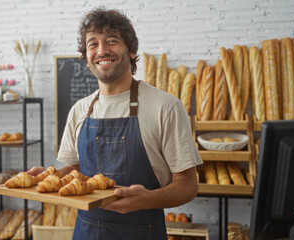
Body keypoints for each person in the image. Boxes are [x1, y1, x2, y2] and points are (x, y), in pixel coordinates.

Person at [28, 7, 202, 240]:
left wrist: (148, 198)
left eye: (111, 40)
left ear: (131, 50)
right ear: (86, 56)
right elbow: (76, 170)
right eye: (92, 44)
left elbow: (188, 185)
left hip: (143, 232)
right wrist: (50, 177)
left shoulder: (165, 107)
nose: (101, 51)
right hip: (86, 232)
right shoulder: (80, 110)